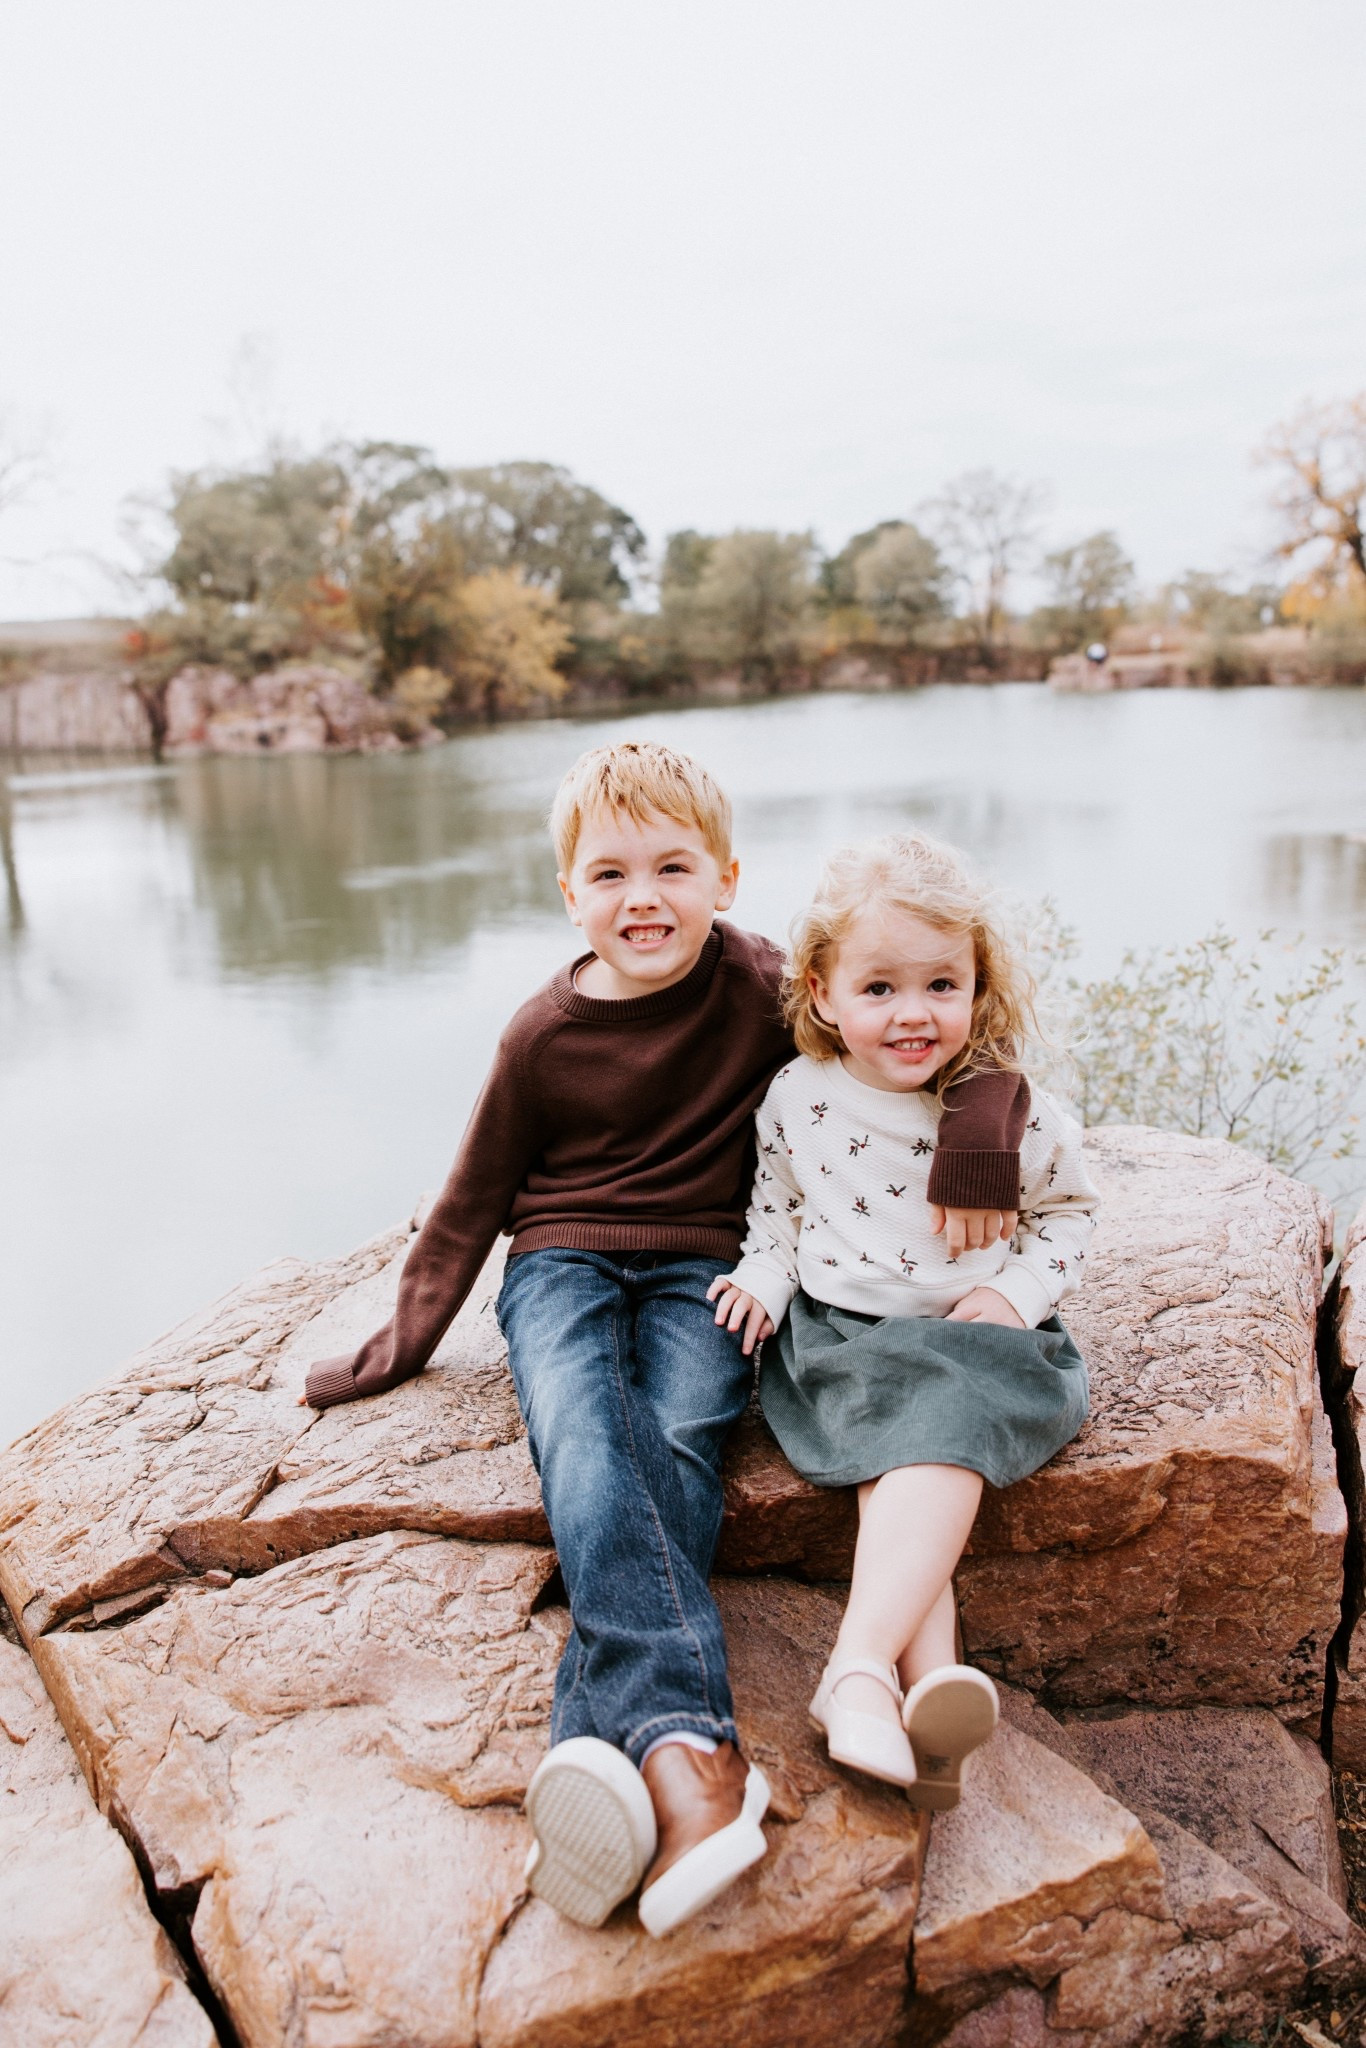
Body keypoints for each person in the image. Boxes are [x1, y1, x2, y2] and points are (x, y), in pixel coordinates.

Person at [301, 746, 1031, 1932]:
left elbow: (907, 1028)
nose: (643, 894)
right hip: (562, 1257)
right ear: (568, 894)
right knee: (588, 1436)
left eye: (672, 865)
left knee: (681, 1438)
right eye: (610, 871)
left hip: (710, 1259)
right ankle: (694, 1752)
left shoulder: (758, 987)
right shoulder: (541, 1034)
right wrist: (400, 1337)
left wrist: (985, 1121)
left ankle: (599, 1753)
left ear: (726, 877)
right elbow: (472, 1194)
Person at [709, 832, 1096, 1809]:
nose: (913, 1012)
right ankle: (929, 1699)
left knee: (931, 1433)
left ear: (977, 984)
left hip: (976, 1340)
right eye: (878, 987)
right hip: (845, 1340)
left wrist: (1016, 1292)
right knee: (918, 1447)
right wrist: (762, 1274)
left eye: (940, 983)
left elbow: (1068, 1213)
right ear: (822, 991)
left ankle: (858, 1670)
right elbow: (778, 1211)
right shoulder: (799, 1096)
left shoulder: (1007, 1111)